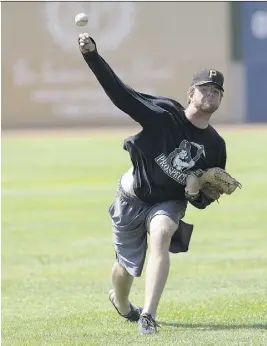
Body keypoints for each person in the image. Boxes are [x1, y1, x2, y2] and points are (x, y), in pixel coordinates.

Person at [78, 33, 228, 335]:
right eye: (205, 89)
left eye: (217, 91)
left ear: (221, 100)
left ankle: (148, 314)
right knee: (126, 269)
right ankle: (121, 303)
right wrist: (92, 55)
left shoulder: (216, 146)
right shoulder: (163, 116)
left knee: (162, 232)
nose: (211, 93)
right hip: (132, 195)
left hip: (169, 202)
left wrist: (194, 191)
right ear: (190, 94)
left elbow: (204, 200)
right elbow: (121, 94)